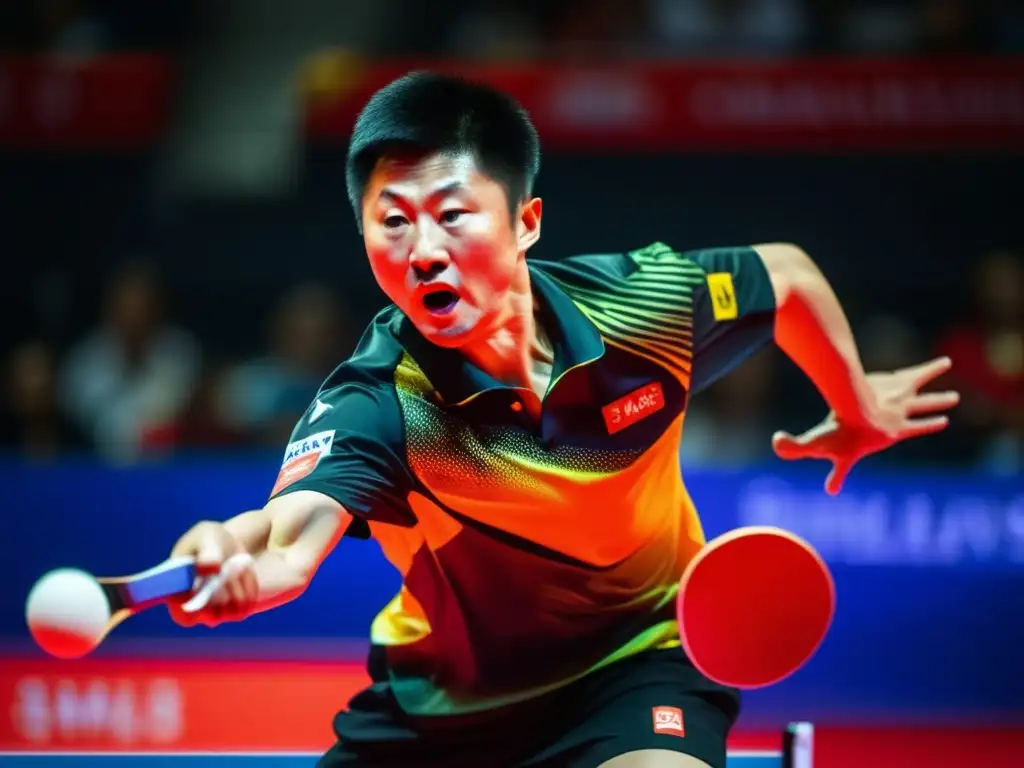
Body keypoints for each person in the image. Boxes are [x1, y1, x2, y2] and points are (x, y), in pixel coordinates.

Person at [167, 72, 959, 768]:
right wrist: (229, 557)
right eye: (393, 221)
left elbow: (784, 275)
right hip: (444, 712)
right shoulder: (380, 398)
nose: (423, 249)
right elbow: (286, 536)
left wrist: (854, 400)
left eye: (452, 214)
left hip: (637, 658)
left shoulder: (642, 308)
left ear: (526, 222)